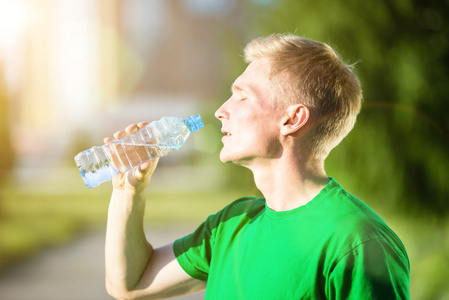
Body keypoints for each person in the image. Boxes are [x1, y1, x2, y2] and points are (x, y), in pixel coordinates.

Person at [104, 34, 410, 300]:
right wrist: (128, 190)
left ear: (292, 120)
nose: (221, 110)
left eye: (242, 96)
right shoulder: (232, 224)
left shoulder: (357, 243)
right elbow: (129, 284)